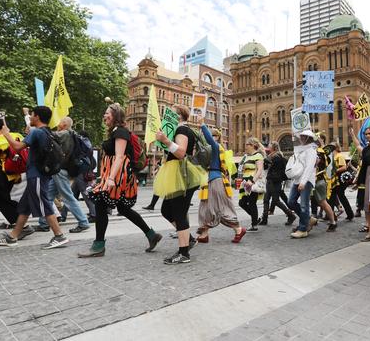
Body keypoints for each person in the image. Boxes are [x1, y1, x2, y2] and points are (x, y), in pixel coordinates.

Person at [78, 103, 161, 257]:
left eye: (107, 113)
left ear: (116, 115)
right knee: (123, 208)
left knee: (101, 204)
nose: (104, 116)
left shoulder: (121, 132)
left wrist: (110, 179)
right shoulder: (116, 132)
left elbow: (120, 156)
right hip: (116, 175)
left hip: (119, 176)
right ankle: (151, 235)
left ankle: (98, 246)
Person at [0, 106, 70, 249]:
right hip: (40, 175)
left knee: (44, 204)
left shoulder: (36, 132)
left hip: (37, 176)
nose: (31, 117)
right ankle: (13, 236)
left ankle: (59, 236)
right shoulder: (47, 132)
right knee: (24, 207)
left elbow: (17, 147)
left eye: (32, 115)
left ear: (37, 117)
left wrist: (6, 134)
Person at [154, 106, 206, 264]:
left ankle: (184, 253)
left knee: (178, 212)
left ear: (179, 116)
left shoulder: (183, 130)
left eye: (171, 112)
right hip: (176, 173)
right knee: (166, 210)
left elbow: (181, 152)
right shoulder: (177, 130)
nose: (167, 115)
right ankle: (188, 239)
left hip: (182, 174)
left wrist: (165, 140)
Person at [36, 117, 91, 233]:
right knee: (47, 195)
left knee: (68, 197)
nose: (58, 124)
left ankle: (83, 222)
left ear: (65, 124)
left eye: (60, 122)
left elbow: (48, 136)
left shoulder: (64, 133)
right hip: (62, 170)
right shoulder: (72, 134)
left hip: (60, 170)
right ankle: (43, 223)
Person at [196, 126, 246, 243]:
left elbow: (210, 141)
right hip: (210, 179)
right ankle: (204, 234)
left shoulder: (216, 146)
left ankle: (238, 229)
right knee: (205, 207)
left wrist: (203, 126)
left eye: (213, 135)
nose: (210, 138)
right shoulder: (210, 148)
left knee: (220, 208)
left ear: (217, 137)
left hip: (215, 179)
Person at [288, 130, 318, 238]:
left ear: (307, 138)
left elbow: (309, 167)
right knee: (291, 202)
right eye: (300, 136)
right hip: (297, 180)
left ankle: (302, 229)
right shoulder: (301, 149)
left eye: (302, 136)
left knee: (304, 205)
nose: (300, 138)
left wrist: (303, 182)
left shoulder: (311, 150)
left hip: (306, 181)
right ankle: (308, 219)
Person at [261, 141, 295, 225]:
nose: (268, 146)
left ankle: (290, 215)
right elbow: (265, 167)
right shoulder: (271, 156)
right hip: (271, 180)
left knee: (275, 201)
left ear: (274, 147)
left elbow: (277, 169)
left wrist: (267, 161)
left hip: (275, 181)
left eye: (270, 145)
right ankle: (264, 218)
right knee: (266, 199)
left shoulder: (277, 157)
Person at [238, 137, 265, 231]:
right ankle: (255, 219)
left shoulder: (258, 155)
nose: (245, 146)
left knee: (252, 203)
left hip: (252, 182)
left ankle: (254, 224)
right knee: (242, 203)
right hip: (245, 183)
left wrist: (252, 181)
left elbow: (260, 170)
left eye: (247, 144)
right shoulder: (247, 156)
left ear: (253, 145)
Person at [329, 142, 354, 221]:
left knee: (337, 197)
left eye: (331, 146)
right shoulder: (332, 156)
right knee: (335, 197)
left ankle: (333, 216)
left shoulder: (339, 156)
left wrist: (334, 171)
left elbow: (344, 167)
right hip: (333, 179)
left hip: (339, 179)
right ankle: (333, 215)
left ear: (336, 147)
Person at [315, 146, 337, 232]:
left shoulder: (319, 153)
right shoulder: (321, 153)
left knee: (323, 203)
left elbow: (317, 163)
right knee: (321, 203)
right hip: (317, 181)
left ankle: (333, 222)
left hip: (319, 181)